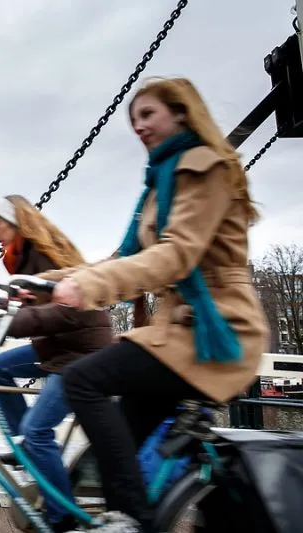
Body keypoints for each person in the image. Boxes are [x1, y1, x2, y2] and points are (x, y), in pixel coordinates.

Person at [45, 77, 269, 532]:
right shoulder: (160, 183)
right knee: (118, 449)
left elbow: (175, 255)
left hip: (216, 328)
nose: (138, 126)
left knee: (82, 380)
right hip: (176, 331)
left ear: (181, 113)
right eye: (133, 119)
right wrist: (46, 282)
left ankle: (131, 519)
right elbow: (126, 259)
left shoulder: (205, 168)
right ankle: (129, 516)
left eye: (147, 114)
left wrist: (89, 288)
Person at [0, 195, 112, 532]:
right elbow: (35, 305)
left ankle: (60, 518)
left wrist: (8, 322)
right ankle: (26, 446)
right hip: (57, 349)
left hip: (80, 354)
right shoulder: (23, 259)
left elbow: (61, 312)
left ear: (16, 224)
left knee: (38, 430)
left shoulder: (45, 257)